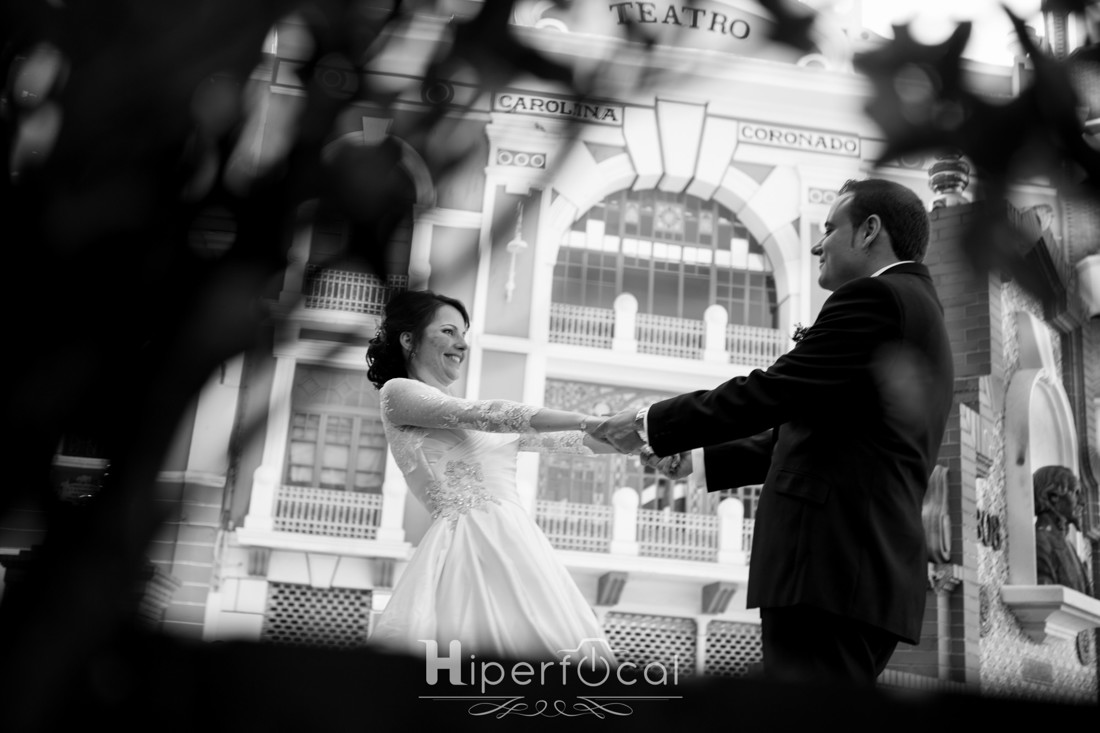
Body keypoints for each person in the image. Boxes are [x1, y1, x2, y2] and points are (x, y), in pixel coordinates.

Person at [591, 178, 955, 688]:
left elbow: (774, 391)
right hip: (858, 573)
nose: (817, 244)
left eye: (830, 228)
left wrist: (648, 423)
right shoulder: (915, 306)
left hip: (830, 570)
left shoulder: (878, 298)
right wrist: (699, 460)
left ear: (870, 230)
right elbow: (821, 430)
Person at [365, 289, 618, 664]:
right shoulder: (399, 393)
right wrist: (591, 419)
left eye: (463, 334)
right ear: (408, 339)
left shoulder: (459, 414)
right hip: (468, 542)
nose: (461, 344)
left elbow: (567, 442)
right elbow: (494, 413)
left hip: (519, 542)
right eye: (449, 331)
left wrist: (645, 442)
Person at [1033, 465, 1090, 593]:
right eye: (1075, 493)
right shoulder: (1041, 542)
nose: (1082, 502)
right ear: (1053, 496)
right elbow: (1045, 599)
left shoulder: (1068, 546)